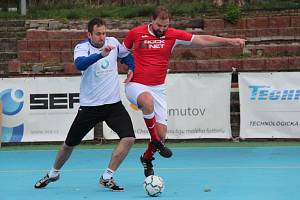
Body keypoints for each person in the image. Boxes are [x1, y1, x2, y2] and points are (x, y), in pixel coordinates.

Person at [123, 6, 246, 177]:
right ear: (151, 20)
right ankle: (157, 143)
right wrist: (129, 66)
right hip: (135, 84)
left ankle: (147, 158)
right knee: (146, 100)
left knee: (162, 133)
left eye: (165, 26)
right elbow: (122, 52)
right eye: (159, 25)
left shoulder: (173, 35)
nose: (162, 29)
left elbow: (202, 40)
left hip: (157, 88)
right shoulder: (136, 33)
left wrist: (229, 41)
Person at [34, 17, 135, 192]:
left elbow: (126, 56)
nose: (102, 37)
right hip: (90, 107)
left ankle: (107, 176)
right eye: (98, 34)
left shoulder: (113, 42)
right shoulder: (82, 47)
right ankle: (53, 173)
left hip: (113, 105)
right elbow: (79, 64)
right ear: (89, 34)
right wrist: (100, 55)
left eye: (104, 33)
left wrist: (131, 67)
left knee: (129, 138)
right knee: (69, 145)